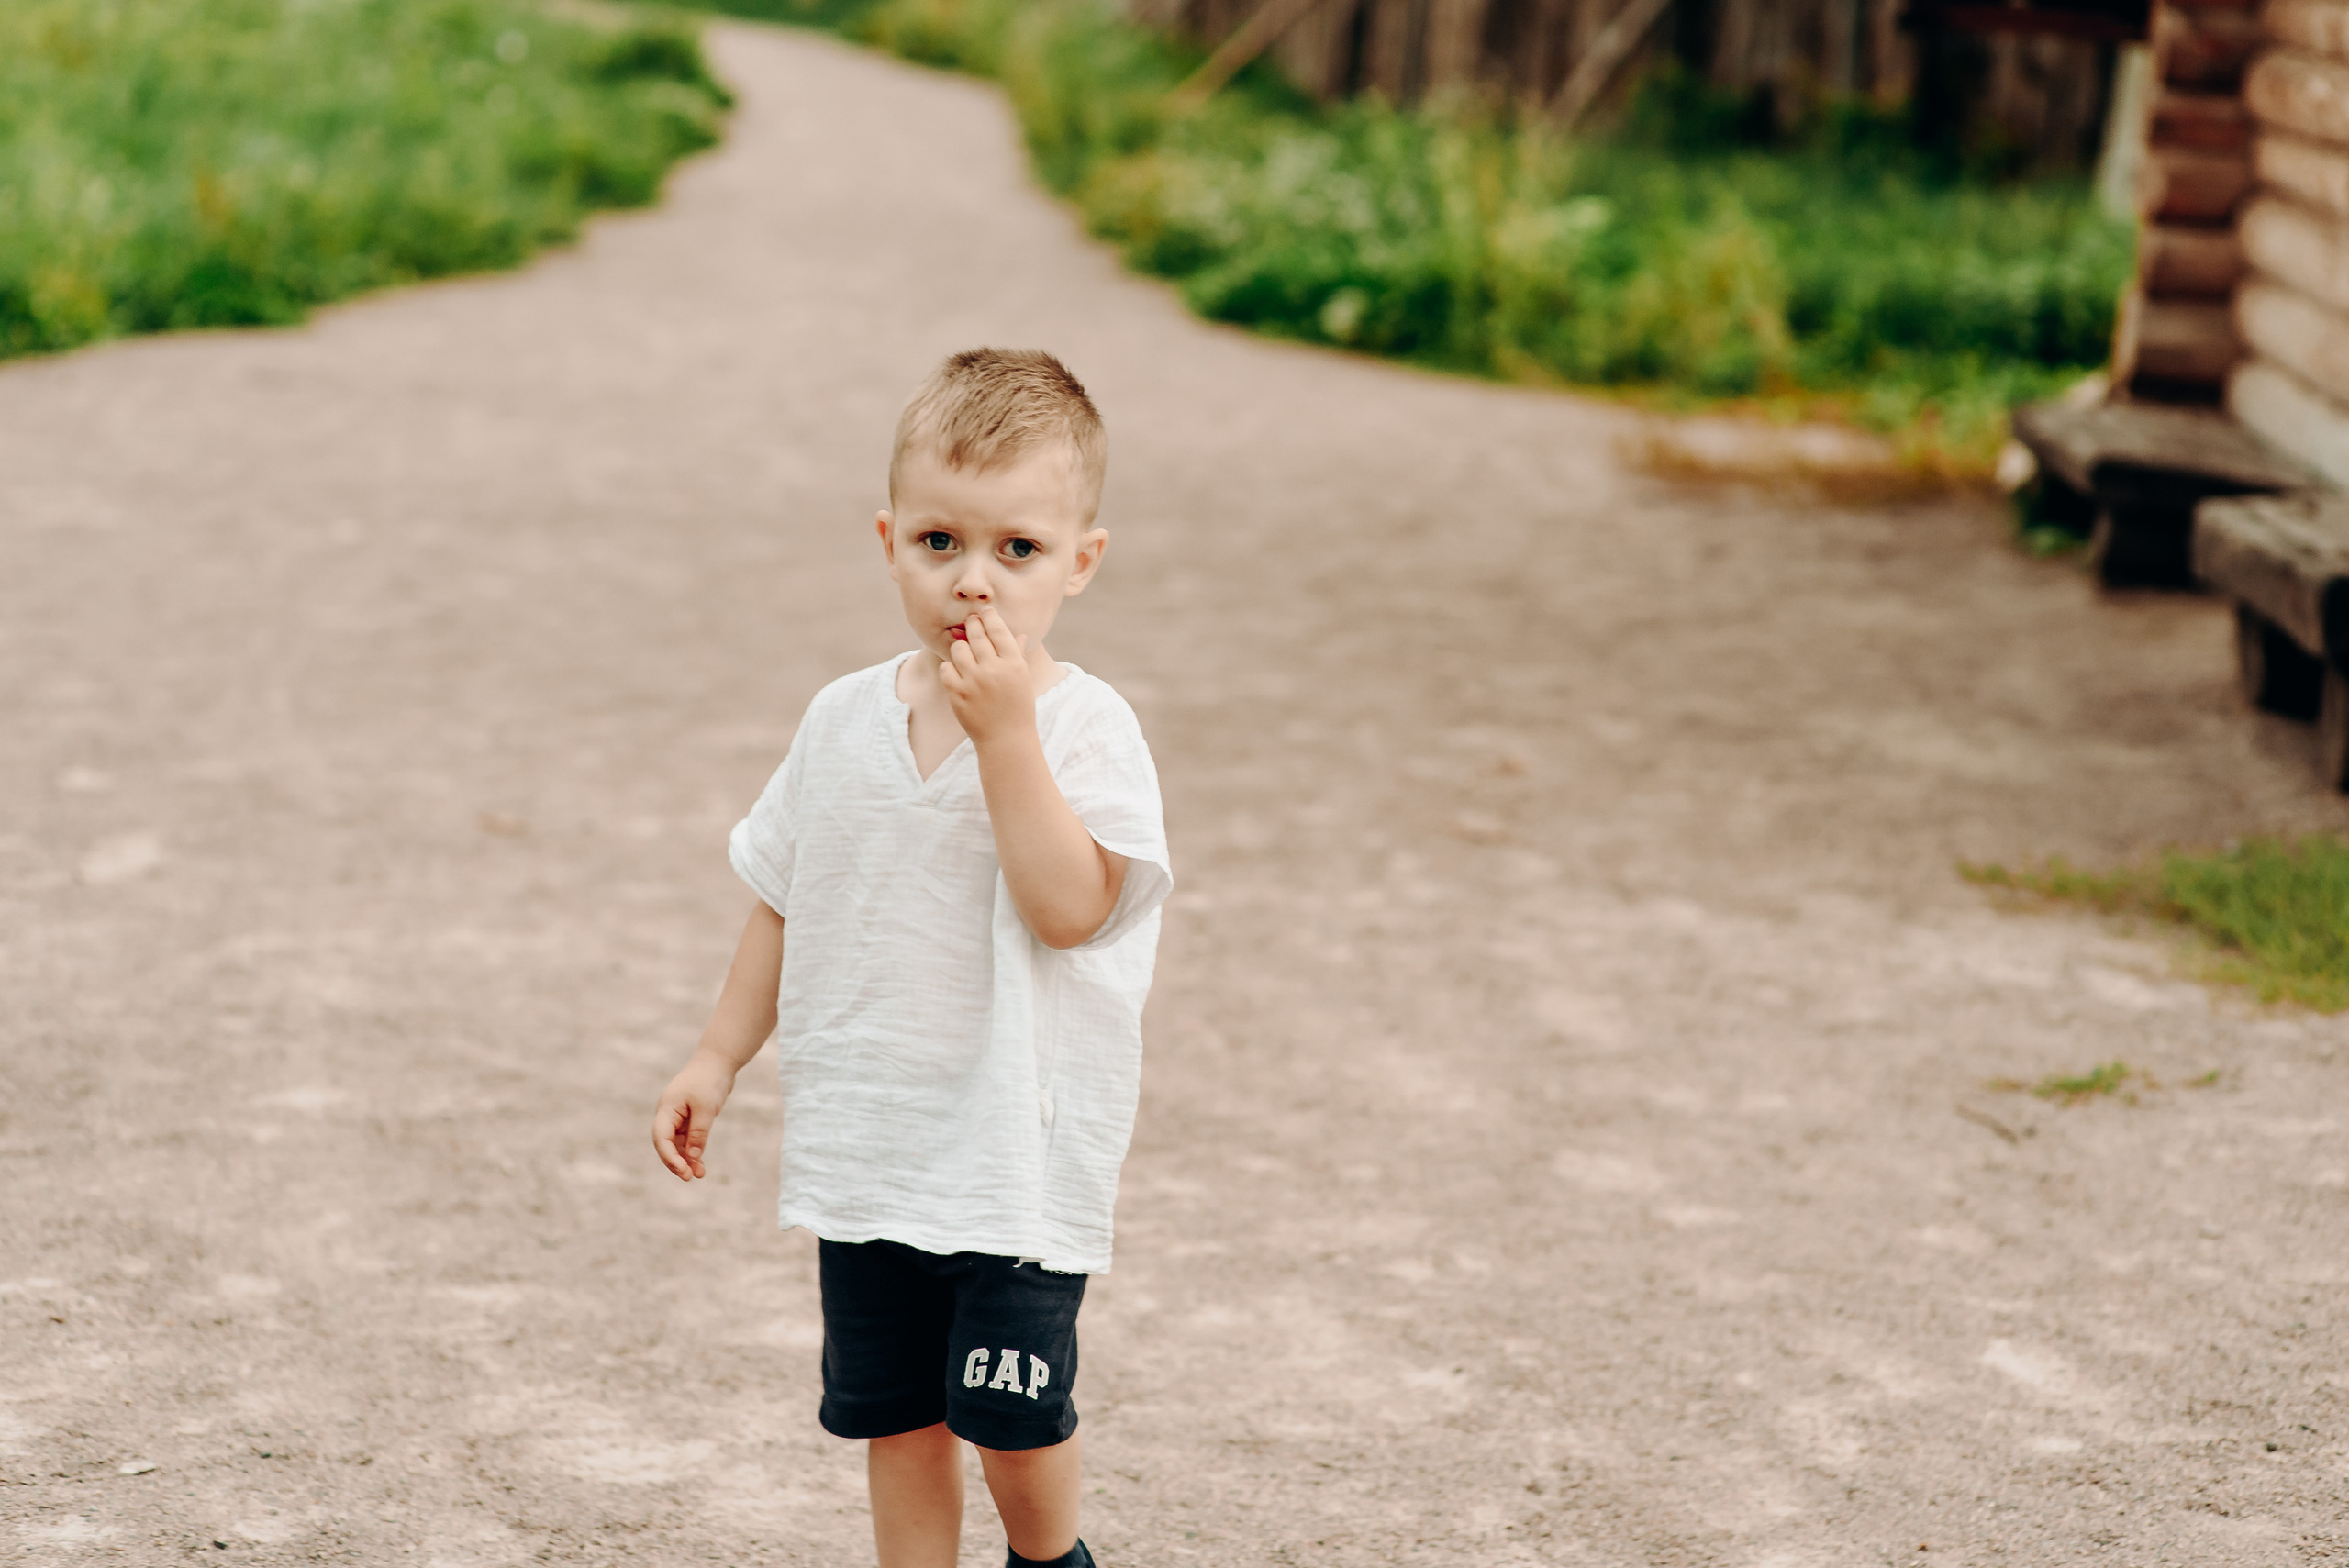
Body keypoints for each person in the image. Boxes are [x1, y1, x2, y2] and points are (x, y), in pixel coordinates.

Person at [651, 349, 1170, 1568]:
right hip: (875, 1150)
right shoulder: (841, 722)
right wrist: (717, 1055)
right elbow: (787, 898)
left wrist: (1007, 743)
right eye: (940, 541)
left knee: (1013, 1421)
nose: (973, 582)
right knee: (903, 1421)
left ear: (1079, 562)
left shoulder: (1084, 729)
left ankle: (1051, 1562)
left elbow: (1071, 909)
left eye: (1017, 550)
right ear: (889, 541)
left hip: (1013, 1159)